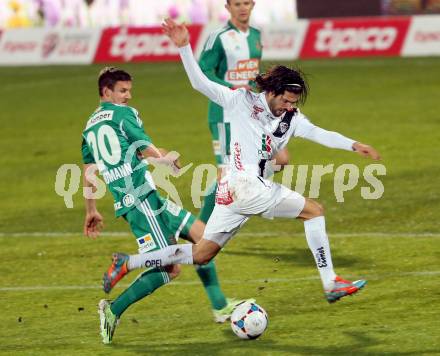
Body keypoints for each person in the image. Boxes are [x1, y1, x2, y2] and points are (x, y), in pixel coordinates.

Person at [103, 19, 381, 308]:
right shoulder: (240, 101)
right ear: (272, 92)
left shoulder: (291, 117)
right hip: (246, 187)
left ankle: (129, 261)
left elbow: (318, 133)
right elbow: (200, 83)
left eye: (293, 102)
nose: (289, 106)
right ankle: (331, 282)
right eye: (286, 100)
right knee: (314, 211)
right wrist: (184, 47)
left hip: (233, 192)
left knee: (201, 254)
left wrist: (353, 144)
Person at [82, 67, 252, 344]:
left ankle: (220, 305)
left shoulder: (89, 128)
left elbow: (90, 171)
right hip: (141, 202)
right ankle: (113, 307)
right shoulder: (125, 114)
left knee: (203, 236)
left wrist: (91, 209)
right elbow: (142, 144)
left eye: (129, 91)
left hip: (146, 199)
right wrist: (163, 159)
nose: (128, 95)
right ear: (106, 92)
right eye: (123, 91)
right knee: (170, 269)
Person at [198, 0, 290, 225]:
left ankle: (245, 184)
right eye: (237, 3)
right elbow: (204, 72)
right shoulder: (217, 37)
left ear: (253, 5)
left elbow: (253, 74)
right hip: (224, 114)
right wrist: (231, 88)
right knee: (225, 174)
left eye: (246, 3)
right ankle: (200, 228)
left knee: (281, 159)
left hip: (252, 112)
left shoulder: (256, 36)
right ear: (228, 7)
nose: (242, 8)